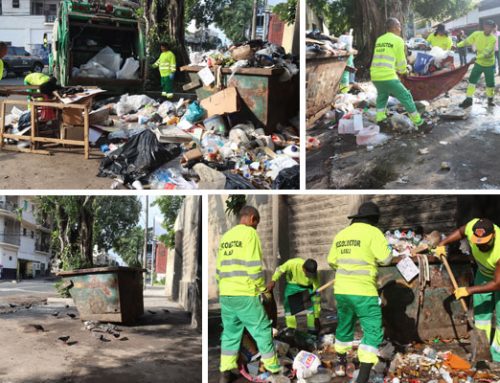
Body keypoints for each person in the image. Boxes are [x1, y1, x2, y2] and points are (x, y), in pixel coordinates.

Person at [328, 202, 392, 383]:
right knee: (372, 330)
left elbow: (332, 260)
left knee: (344, 325)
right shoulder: (373, 233)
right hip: (364, 291)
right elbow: (386, 259)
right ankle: (362, 377)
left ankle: (340, 364)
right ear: (374, 220)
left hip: (341, 290)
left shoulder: (342, 234)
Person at [216, 206, 281, 383]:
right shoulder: (250, 234)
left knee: (230, 334)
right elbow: (253, 268)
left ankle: (225, 372)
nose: (256, 228)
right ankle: (274, 371)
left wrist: (223, 289)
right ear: (252, 219)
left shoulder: (226, 237)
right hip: (244, 294)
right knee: (263, 331)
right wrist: (262, 290)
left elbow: (219, 269)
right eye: (256, 224)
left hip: (227, 295)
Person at [436, 218, 500, 362]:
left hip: (499, 280)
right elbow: (460, 231)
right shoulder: (472, 227)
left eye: (485, 243)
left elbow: (497, 284)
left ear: (494, 235)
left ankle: (497, 358)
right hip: (484, 273)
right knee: (481, 316)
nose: (481, 246)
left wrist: (469, 290)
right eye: (478, 242)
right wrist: (442, 243)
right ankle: (481, 352)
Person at [370, 18, 431, 131]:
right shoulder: (398, 40)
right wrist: (405, 71)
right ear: (394, 27)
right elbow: (401, 61)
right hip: (388, 76)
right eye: (399, 25)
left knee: (382, 96)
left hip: (375, 75)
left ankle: (380, 120)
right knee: (406, 97)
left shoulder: (380, 39)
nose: (400, 28)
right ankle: (419, 123)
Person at [266, 258, 321, 334]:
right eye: (308, 274)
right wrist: (273, 280)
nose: (310, 276)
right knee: (288, 308)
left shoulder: (315, 277)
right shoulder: (293, 263)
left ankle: (312, 331)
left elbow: (316, 298)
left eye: (312, 275)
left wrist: (317, 316)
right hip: (292, 285)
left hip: (307, 287)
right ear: (303, 269)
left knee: (311, 308)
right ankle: (291, 330)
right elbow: (280, 269)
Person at [457, 20, 497, 108]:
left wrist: (475, 58)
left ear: (492, 28)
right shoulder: (477, 34)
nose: (488, 28)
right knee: (472, 81)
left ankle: (490, 100)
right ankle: (468, 100)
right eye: (487, 26)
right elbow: (467, 41)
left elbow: (487, 52)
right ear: (484, 26)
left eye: (490, 27)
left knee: (490, 83)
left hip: (489, 65)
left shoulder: (493, 38)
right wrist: (458, 45)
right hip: (479, 64)